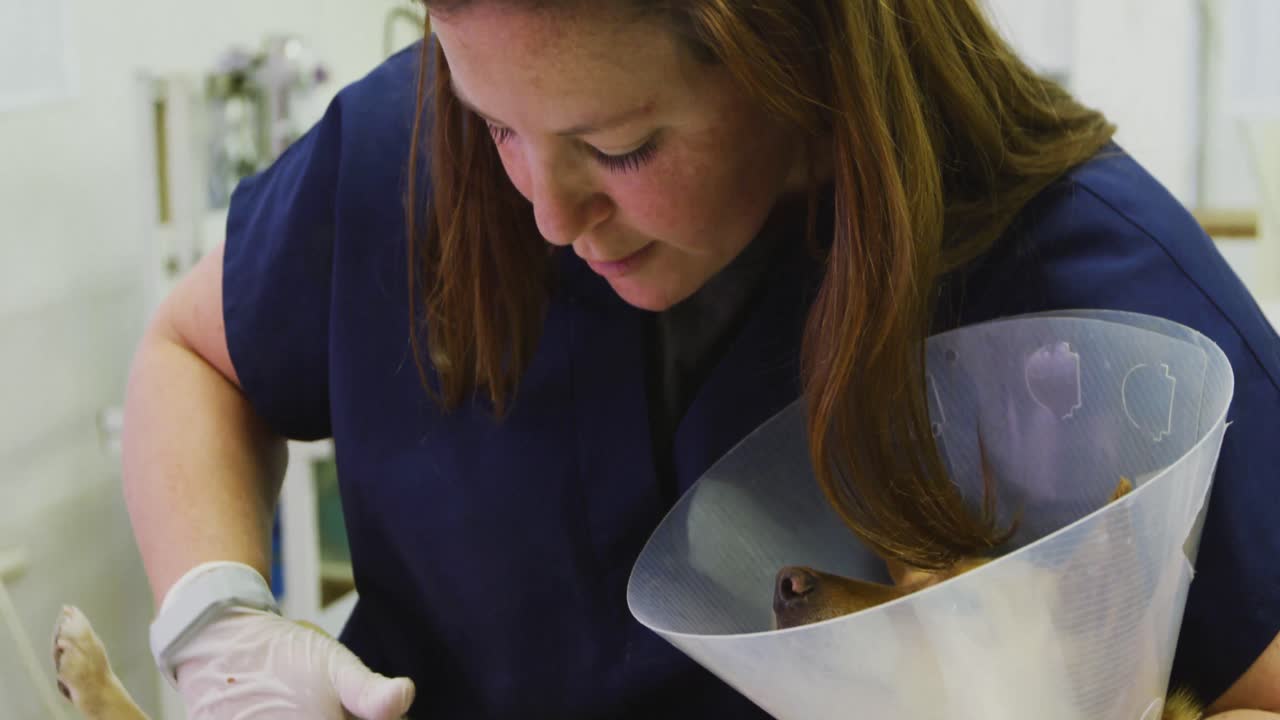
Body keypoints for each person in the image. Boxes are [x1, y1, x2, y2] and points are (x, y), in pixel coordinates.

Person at [121, 1, 1280, 718]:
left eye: (618, 146)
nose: (545, 213)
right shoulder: (409, 148)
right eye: (497, 126)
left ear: (799, 50)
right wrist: (219, 628)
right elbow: (194, 354)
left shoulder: (1090, 293)